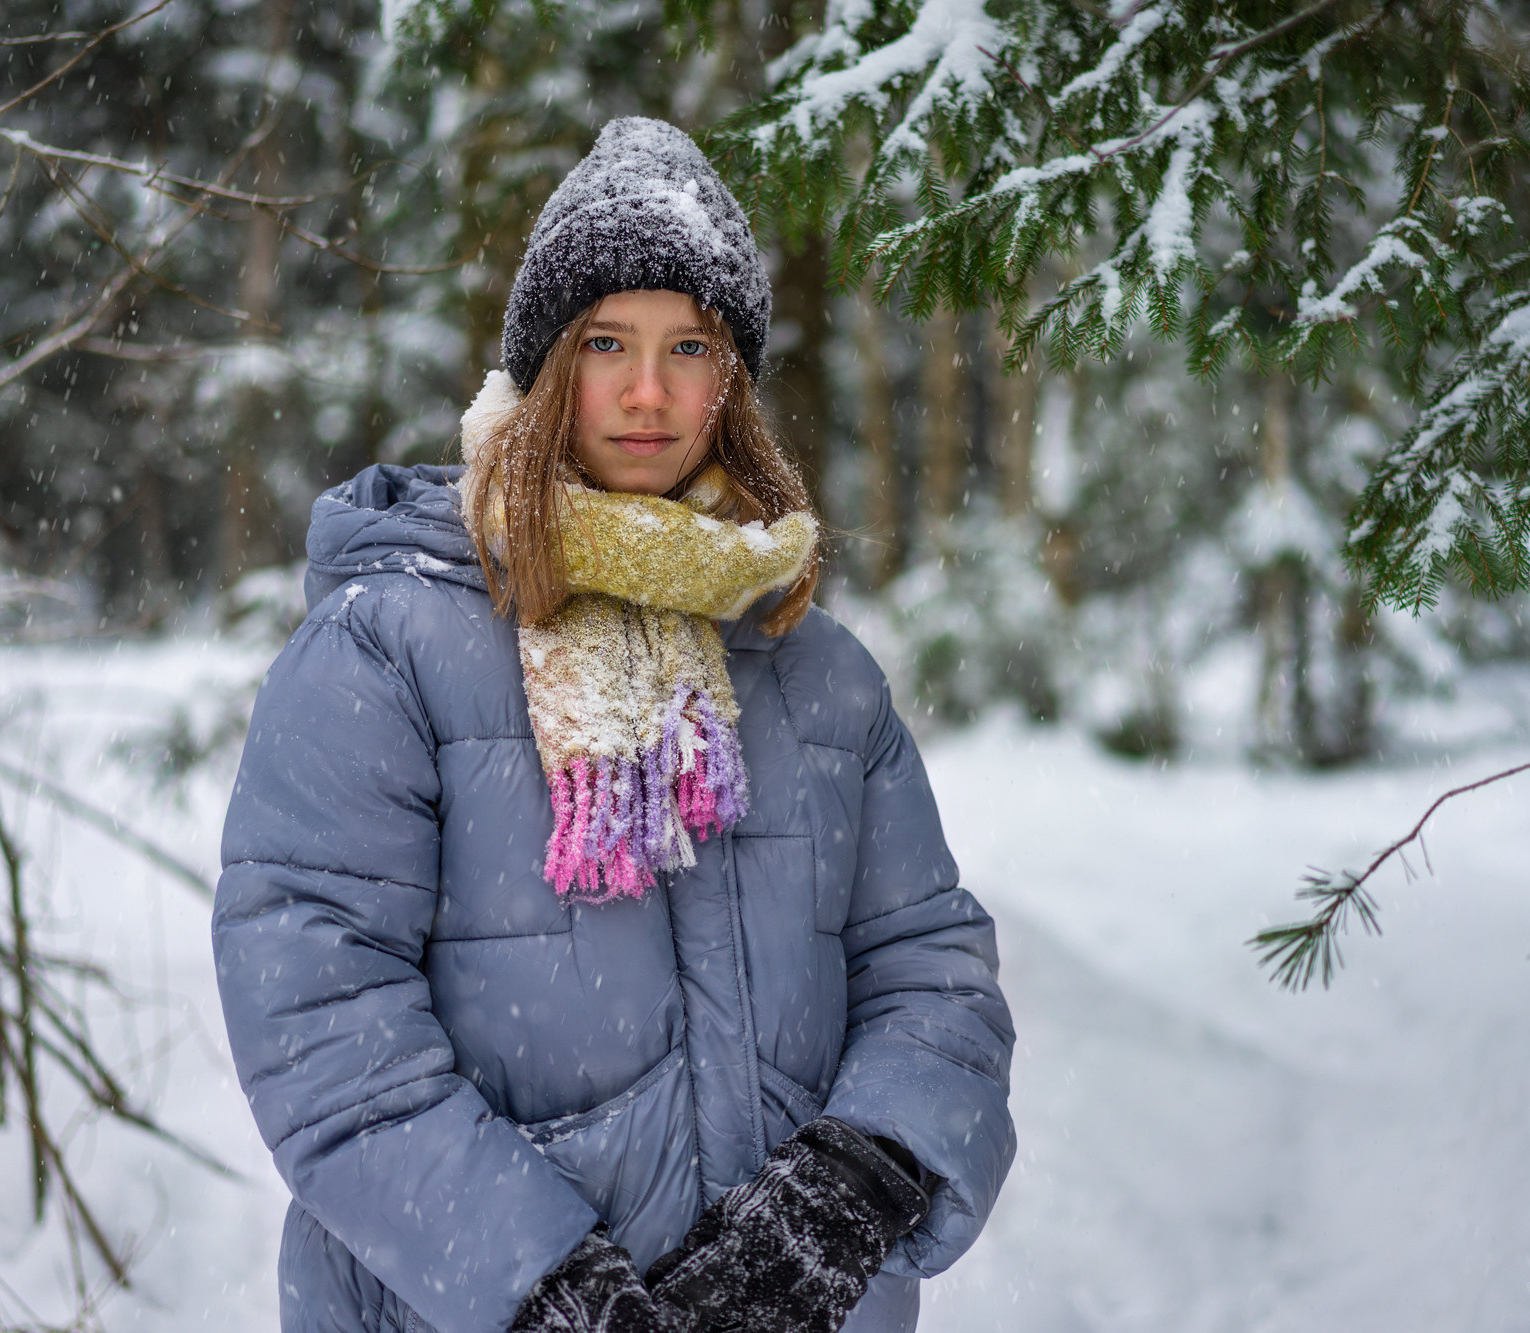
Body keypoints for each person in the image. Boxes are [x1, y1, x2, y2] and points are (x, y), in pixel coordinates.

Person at [212, 117, 1015, 1333]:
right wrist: (541, 1282)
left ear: (728, 380)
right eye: (605, 343)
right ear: (546, 369)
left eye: (688, 345)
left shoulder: (822, 676)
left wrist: (860, 1178)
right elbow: (319, 1012)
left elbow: (929, 966)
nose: (647, 391)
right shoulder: (388, 648)